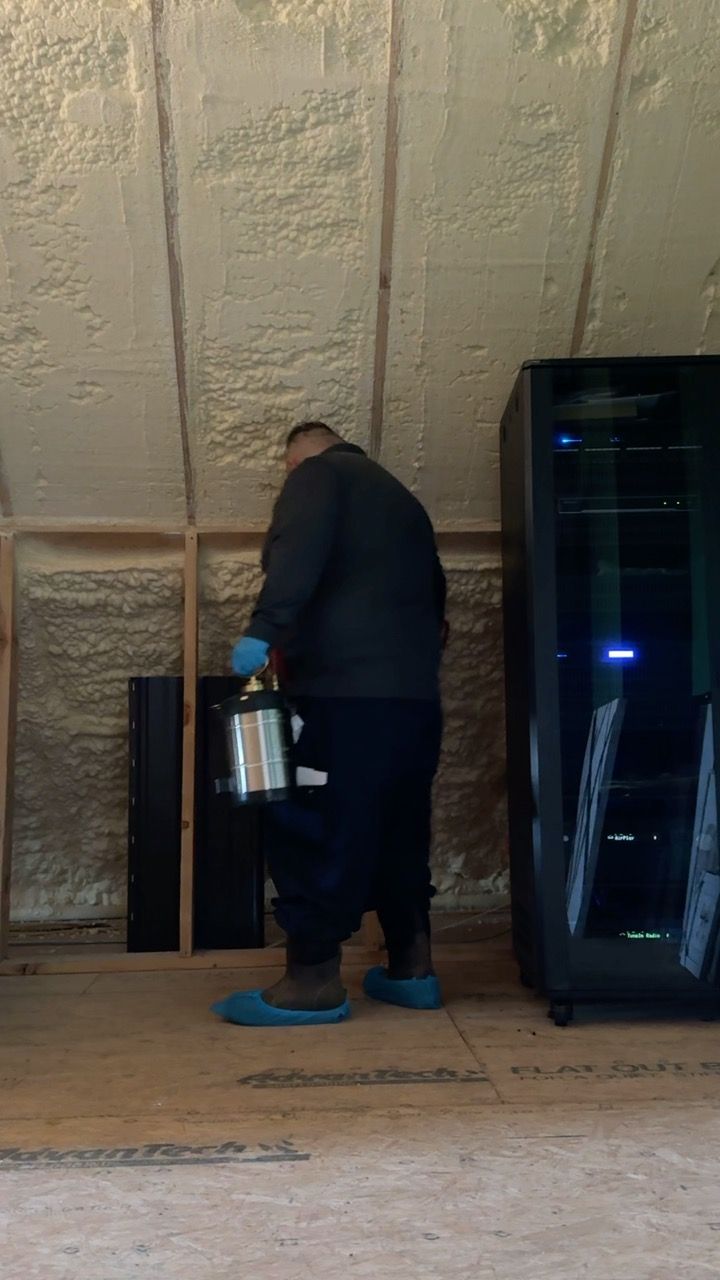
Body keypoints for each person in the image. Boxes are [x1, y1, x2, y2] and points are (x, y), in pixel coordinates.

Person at [211, 422, 446, 1027]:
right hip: (414, 702)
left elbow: (299, 551)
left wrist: (264, 630)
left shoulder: (318, 476)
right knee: (399, 828)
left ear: (297, 459)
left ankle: (311, 983)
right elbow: (437, 602)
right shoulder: (403, 502)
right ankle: (411, 970)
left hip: (343, 697)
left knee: (316, 826)